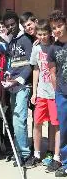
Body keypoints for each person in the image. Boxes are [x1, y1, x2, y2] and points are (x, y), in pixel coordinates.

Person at [24, 19, 61, 171]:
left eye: (45, 33)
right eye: (39, 34)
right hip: (41, 92)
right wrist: (34, 91)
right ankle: (37, 154)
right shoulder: (36, 48)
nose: (42, 37)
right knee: (37, 123)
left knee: (55, 123)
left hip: (54, 92)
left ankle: (56, 155)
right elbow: (36, 69)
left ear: (50, 33)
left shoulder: (56, 47)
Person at [3, 11, 33, 166]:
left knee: (18, 119)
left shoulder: (26, 39)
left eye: (12, 24)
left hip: (23, 85)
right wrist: (8, 74)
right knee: (16, 120)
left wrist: (18, 80)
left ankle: (25, 154)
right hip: (13, 86)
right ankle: (19, 151)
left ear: (18, 23)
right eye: (7, 26)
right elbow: (12, 63)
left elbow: (30, 64)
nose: (10, 27)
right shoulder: (11, 42)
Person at [47, 10, 67, 177]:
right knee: (64, 129)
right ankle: (66, 163)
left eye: (59, 26)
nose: (57, 30)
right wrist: (57, 92)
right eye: (54, 27)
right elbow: (53, 73)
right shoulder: (53, 49)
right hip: (62, 93)